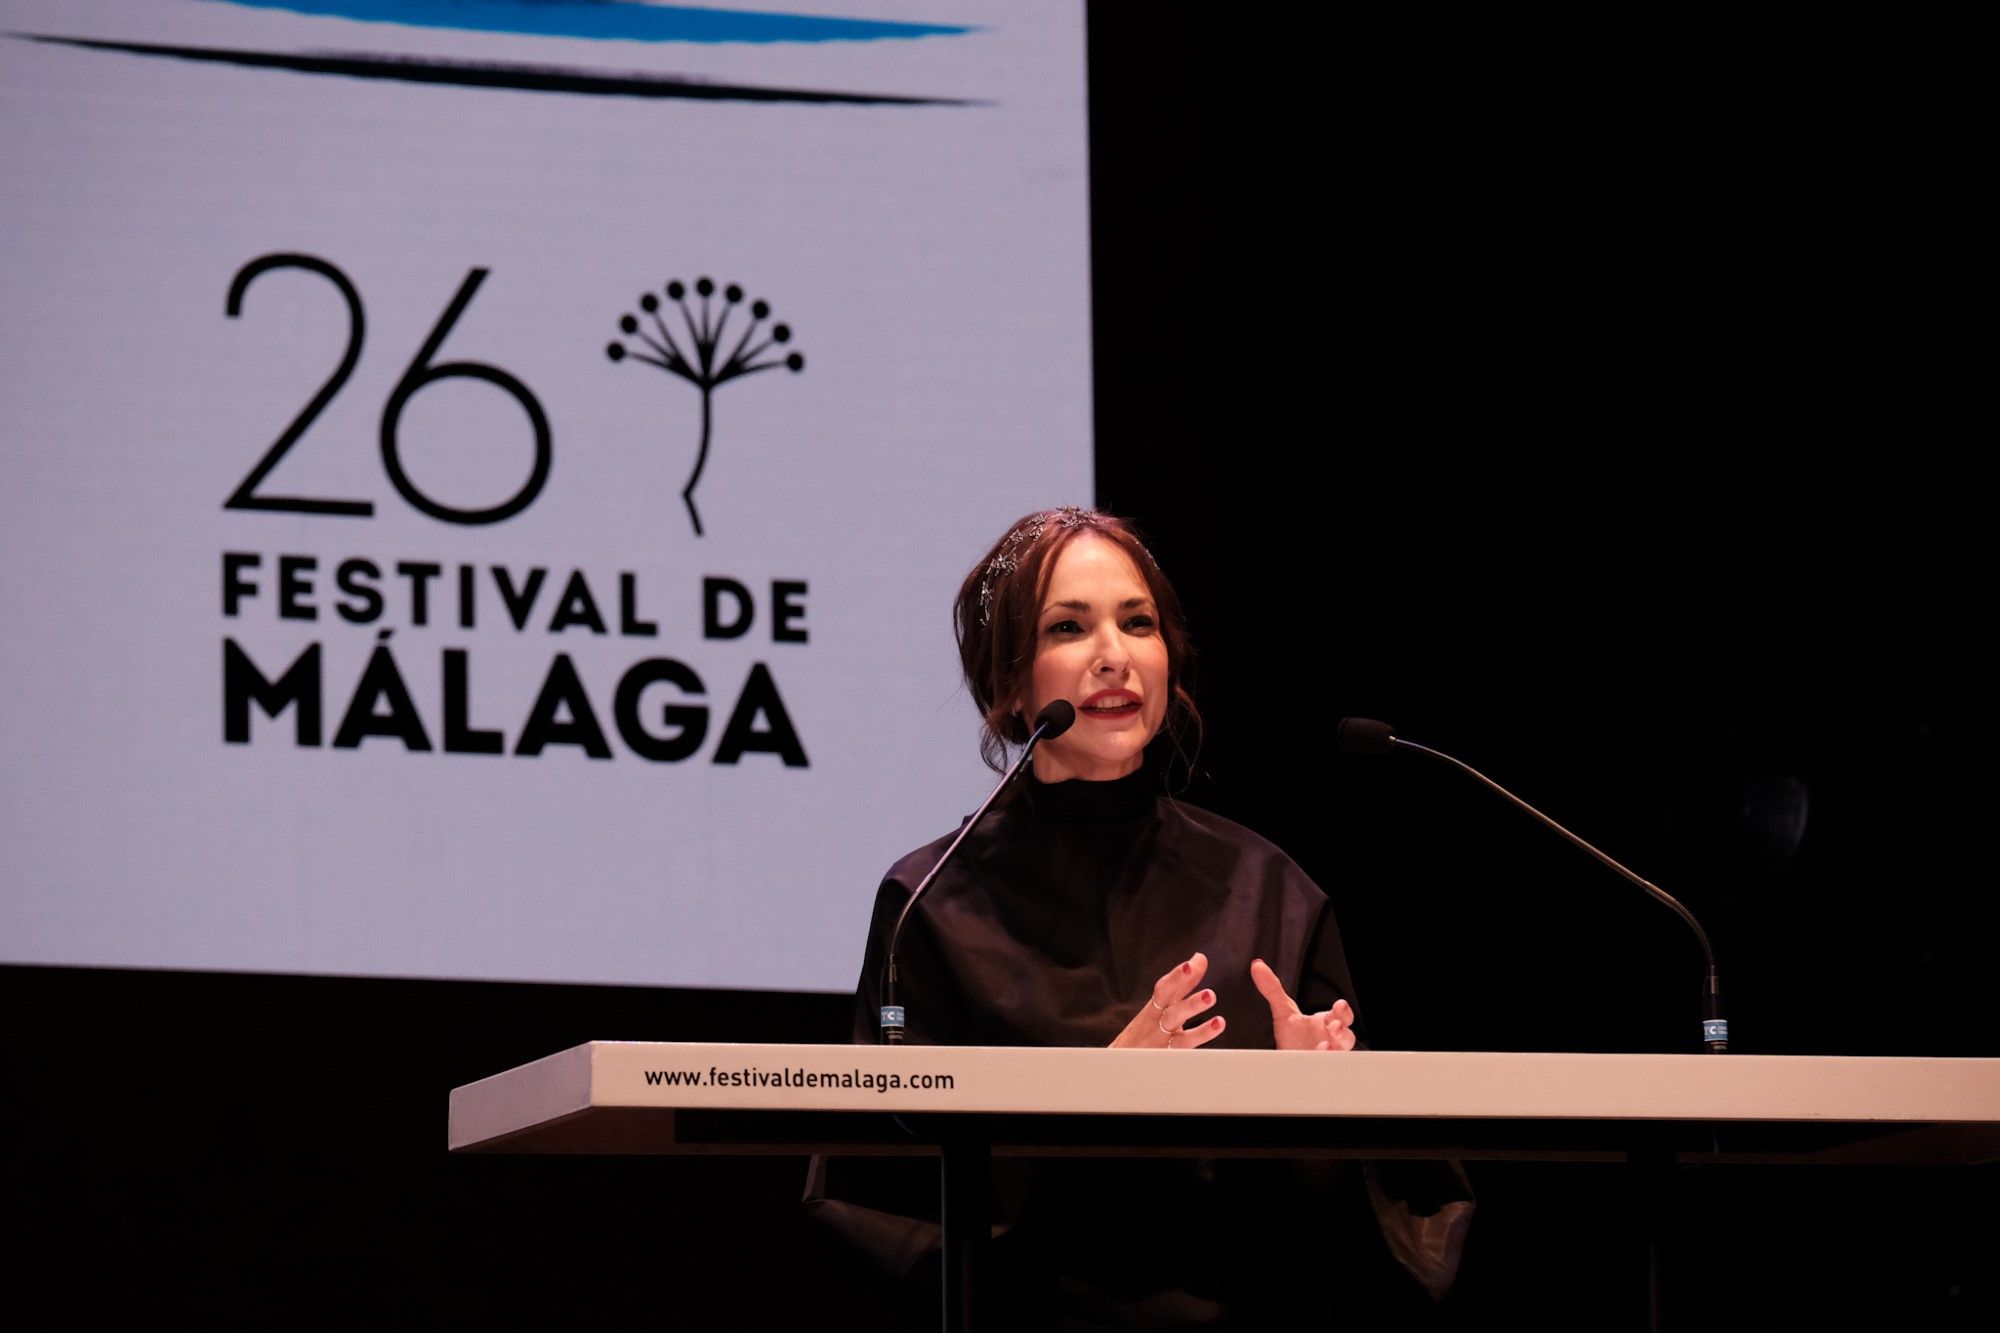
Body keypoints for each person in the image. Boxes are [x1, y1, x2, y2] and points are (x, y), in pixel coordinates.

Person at [806, 506, 1472, 1329]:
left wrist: (1323, 1121)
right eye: (1068, 627)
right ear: (1010, 684)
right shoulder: (932, 904)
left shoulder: (1270, 889)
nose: (1114, 655)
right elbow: (889, 1207)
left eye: (1138, 622)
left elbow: (1385, 1228)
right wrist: (1094, 1108)